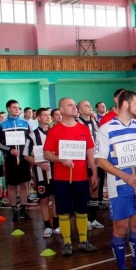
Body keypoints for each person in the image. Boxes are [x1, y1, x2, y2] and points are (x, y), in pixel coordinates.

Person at [97, 90, 136, 270]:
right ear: (125, 104)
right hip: (119, 187)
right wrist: (123, 175)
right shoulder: (106, 129)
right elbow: (100, 160)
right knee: (120, 228)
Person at [43, 98, 99, 256]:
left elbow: (90, 152)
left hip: (81, 177)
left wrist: (94, 172)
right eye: (70, 105)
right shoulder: (54, 130)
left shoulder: (83, 129)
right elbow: (47, 154)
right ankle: (67, 243)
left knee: (82, 209)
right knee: (63, 211)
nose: (74, 107)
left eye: (75, 105)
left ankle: (83, 241)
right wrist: (61, 159)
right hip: (61, 178)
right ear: (61, 109)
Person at [0, 100, 32, 222]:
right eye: (14, 107)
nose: (17, 109)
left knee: (24, 184)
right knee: (12, 185)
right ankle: (14, 210)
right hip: (10, 160)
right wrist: (9, 150)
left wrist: (29, 154)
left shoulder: (25, 123)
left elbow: (31, 140)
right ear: (8, 109)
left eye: (18, 107)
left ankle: (23, 209)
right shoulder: (2, 124)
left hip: (24, 159)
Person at [24, 108, 55, 238]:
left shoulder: (56, 132)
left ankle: (56, 225)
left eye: (49, 115)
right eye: (44, 115)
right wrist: (39, 164)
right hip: (41, 172)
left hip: (57, 171)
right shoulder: (32, 135)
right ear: (38, 118)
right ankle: (47, 226)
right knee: (44, 199)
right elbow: (26, 155)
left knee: (56, 197)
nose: (48, 117)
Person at [77, 100, 105, 231]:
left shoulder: (95, 123)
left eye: (89, 105)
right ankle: (84, 219)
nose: (89, 107)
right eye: (86, 106)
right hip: (82, 162)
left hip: (95, 161)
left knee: (95, 188)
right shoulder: (76, 123)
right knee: (83, 190)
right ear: (80, 110)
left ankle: (92, 218)